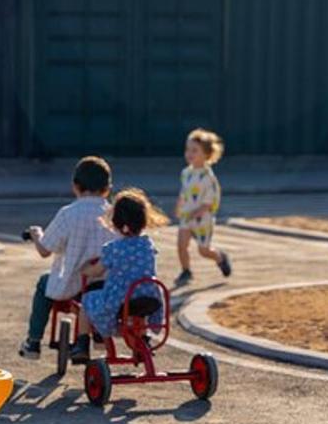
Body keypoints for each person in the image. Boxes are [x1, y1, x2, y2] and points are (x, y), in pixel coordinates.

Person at [18, 156, 113, 359]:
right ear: (108, 188)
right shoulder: (114, 214)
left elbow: (45, 250)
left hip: (74, 284)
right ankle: (96, 335)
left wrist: (36, 235)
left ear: (75, 187)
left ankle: (33, 342)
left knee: (44, 283)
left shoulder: (69, 214)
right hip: (105, 285)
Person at [70, 188, 168, 363]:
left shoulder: (113, 248)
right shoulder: (148, 245)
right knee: (139, 308)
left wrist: (83, 269)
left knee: (86, 302)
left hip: (121, 299)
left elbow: (97, 271)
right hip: (149, 295)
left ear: (117, 223)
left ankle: (82, 344)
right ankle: (142, 340)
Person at [175, 128, 231, 287]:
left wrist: (198, 212)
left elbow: (209, 201)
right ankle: (186, 271)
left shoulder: (208, 178)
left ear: (207, 154)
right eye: (188, 150)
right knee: (181, 245)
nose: (189, 153)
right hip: (187, 217)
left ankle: (220, 257)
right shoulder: (186, 173)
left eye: (194, 150)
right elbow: (184, 192)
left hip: (203, 219)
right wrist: (179, 206)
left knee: (203, 250)